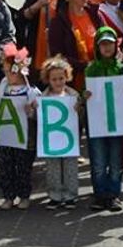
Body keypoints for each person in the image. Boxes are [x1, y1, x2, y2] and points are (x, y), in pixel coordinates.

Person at [84, 28, 123, 211]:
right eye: (103, 44)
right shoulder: (91, 69)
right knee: (99, 160)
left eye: (110, 43)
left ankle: (114, 194)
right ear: (97, 47)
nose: (107, 47)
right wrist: (84, 95)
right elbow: (86, 94)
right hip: (97, 122)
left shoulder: (122, 68)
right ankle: (100, 194)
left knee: (116, 160)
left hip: (116, 122)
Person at [0, 44, 38, 210]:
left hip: (24, 137)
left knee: (23, 167)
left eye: (10, 71)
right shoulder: (4, 85)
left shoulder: (31, 91)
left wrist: (31, 111)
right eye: (5, 71)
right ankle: (8, 196)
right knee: (6, 166)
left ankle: (24, 196)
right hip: (5, 135)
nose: (7, 74)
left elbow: (39, 114)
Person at [38, 56, 82, 209]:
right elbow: (37, 118)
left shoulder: (73, 96)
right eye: (54, 79)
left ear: (67, 77)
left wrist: (79, 109)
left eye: (61, 78)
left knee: (70, 167)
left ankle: (70, 195)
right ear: (48, 80)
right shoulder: (43, 98)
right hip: (52, 140)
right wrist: (32, 109)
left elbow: (81, 115)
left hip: (69, 138)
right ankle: (55, 196)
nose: (58, 82)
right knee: (53, 168)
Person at [47, 0, 101, 91]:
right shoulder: (59, 22)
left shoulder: (95, 14)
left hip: (100, 76)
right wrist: (85, 66)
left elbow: (107, 36)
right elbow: (58, 56)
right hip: (75, 80)